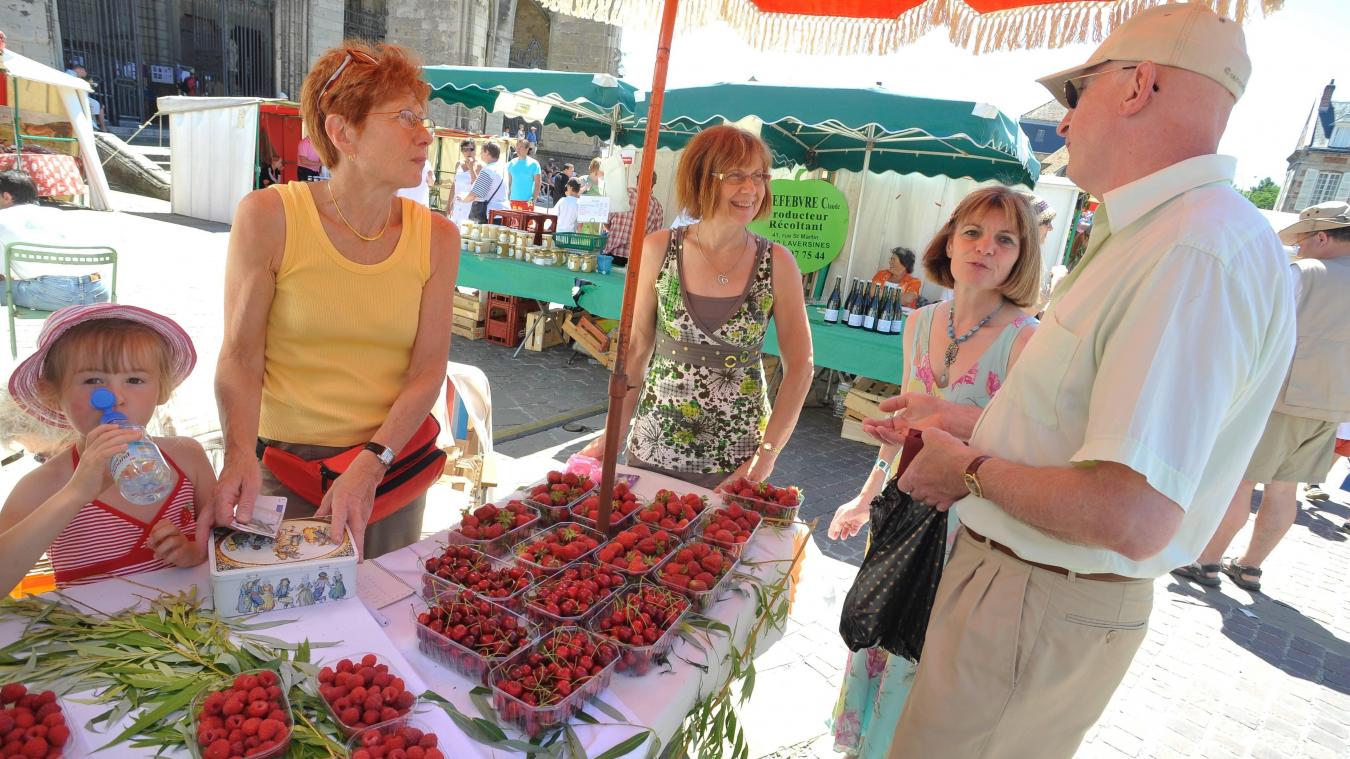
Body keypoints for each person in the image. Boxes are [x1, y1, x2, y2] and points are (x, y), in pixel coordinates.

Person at [878, 6, 1294, 757]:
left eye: (1078, 94)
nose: (1065, 124)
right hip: (1027, 594)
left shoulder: (1190, 249)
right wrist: (968, 423)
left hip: (1034, 597)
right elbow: (1083, 433)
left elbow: (1131, 511)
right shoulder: (1169, 235)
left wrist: (968, 469)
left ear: (1137, 86)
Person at [210, 40, 460, 560]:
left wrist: (371, 465)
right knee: (281, 628)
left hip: (387, 468)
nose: (425, 134)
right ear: (344, 131)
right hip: (284, 469)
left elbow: (428, 369)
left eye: (423, 117)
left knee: (377, 616)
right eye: (406, 118)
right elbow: (239, 355)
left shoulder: (436, 236)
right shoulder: (270, 217)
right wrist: (236, 455)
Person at [829, 187, 1041, 759]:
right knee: (879, 637)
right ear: (948, 240)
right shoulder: (919, 323)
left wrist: (953, 423)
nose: (984, 248)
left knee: (928, 659)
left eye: (1004, 239)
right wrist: (866, 494)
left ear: (1023, 255)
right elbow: (906, 427)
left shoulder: (1027, 338)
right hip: (902, 512)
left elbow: (1026, 445)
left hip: (966, 529)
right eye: (972, 232)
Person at [578, 125, 813, 488]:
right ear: (702, 177)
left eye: (759, 176)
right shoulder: (659, 249)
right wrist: (613, 434)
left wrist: (763, 460)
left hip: (737, 458)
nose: (751, 189)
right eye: (736, 175)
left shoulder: (777, 262)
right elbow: (638, 349)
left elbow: (801, 366)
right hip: (656, 443)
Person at [1175, 201, 1350, 592]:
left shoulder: (1306, 272)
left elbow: (1260, 330)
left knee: (1241, 480)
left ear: (1322, 237)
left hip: (1281, 396)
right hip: (1332, 403)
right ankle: (1251, 567)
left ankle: (1207, 560)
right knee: (1285, 489)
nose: (1300, 248)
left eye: (1303, 240)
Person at [0, 304, 213, 592]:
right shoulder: (43, 486)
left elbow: (225, 541)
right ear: (51, 393)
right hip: (94, 633)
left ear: (162, 389)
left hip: (187, 629)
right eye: (93, 380)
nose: (114, 397)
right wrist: (75, 494)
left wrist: (196, 552)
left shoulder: (189, 458)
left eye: (135, 380)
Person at [0, 170, 110, 311]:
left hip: (52, 295)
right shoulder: (57, 213)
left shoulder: (2, 218)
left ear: (7, 196)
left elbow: (1, 273)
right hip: (98, 291)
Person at [605, 171, 663, 267]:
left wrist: (614, 231)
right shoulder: (657, 207)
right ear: (654, 184)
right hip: (637, 259)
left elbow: (606, 220)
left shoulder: (622, 195)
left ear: (637, 179)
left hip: (612, 254)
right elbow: (654, 238)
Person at [460, 142, 508, 220]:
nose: (480, 154)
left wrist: (463, 199)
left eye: (482, 151)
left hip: (491, 214)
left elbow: (476, 193)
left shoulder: (488, 170)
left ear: (487, 152)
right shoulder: (503, 168)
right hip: (503, 212)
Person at [506, 140, 541, 211]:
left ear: (527, 148)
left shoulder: (534, 164)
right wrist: (507, 198)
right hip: (513, 201)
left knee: (526, 222)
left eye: (521, 147)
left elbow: (538, 183)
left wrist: (534, 199)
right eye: (517, 147)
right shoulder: (511, 163)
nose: (518, 149)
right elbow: (509, 182)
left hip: (527, 201)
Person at [450, 140, 479, 224]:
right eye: (465, 149)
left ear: (475, 150)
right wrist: (449, 203)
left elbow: (476, 186)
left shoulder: (479, 166)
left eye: (471, 149)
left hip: (470, 204)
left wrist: (471, 168)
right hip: (457, 203)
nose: (468, 152)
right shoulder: (458, 164)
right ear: (462, 151)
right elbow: (454, 185)